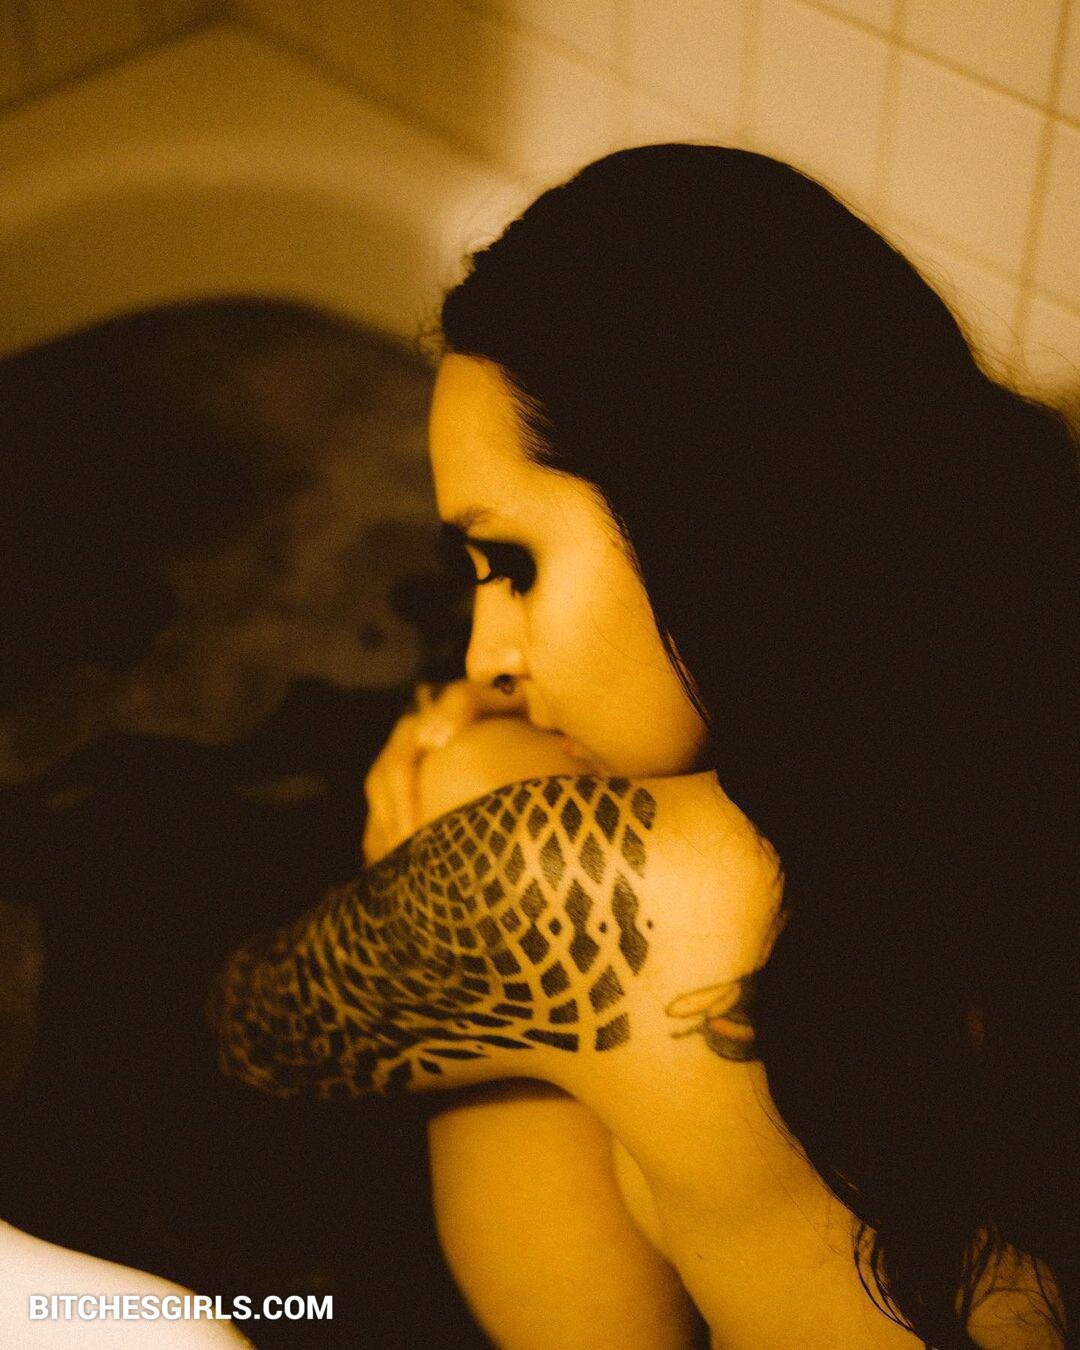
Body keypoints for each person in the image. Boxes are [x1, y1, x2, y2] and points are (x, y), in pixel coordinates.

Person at [212, 145, 1078, 1348]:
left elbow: (255, 1036)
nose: (486, 656)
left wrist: (418, 884)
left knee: (471, 786)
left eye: (513, 564)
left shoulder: (593, 883)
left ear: (703, 517)